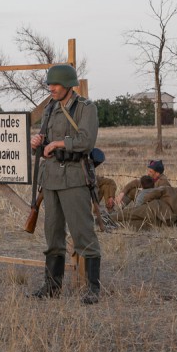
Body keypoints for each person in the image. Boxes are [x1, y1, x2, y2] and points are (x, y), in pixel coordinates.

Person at [29, 64, 102, 305]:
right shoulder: (50, 107)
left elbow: (86, 141)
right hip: (50, 179)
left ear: (68, 85)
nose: (51, 88)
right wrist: (38, 142)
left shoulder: (85, 108)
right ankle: (52, 286)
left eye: (56, 84)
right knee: (53, 234)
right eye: (49, 84)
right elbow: (44, 143)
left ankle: (93, 288)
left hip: (73, 178)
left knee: (83, 233)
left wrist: (58, 144)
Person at [110, 175, 177, 229]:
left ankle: (108, 218)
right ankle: (115, 226)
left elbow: (154, 193)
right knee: (136, 225)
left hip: (154, 208)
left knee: (129, 213)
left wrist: (146, 202)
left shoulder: (170, 189)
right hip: (162, 222)